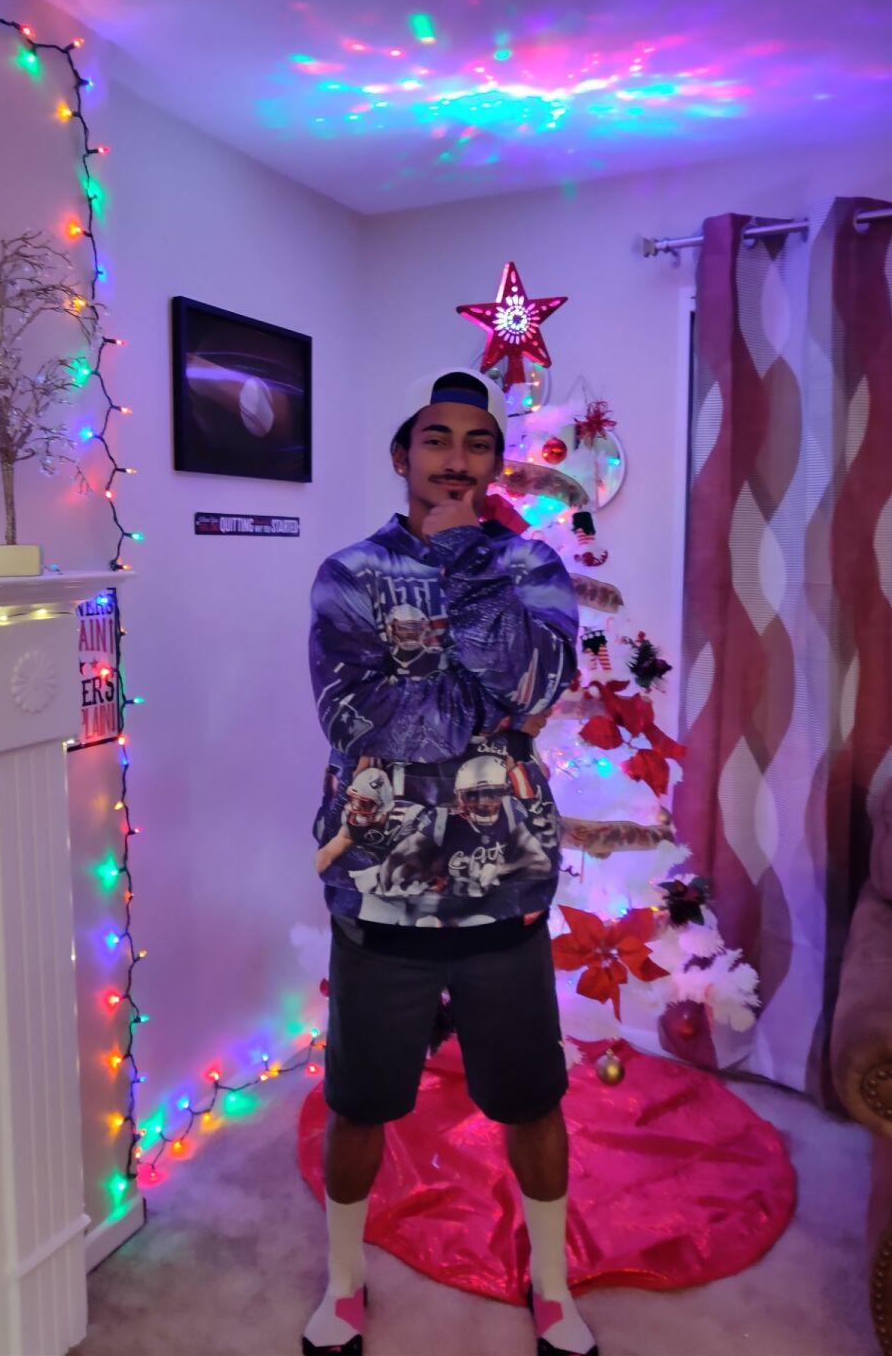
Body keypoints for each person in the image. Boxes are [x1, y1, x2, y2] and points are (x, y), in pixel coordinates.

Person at [304, 369, 597, 1356]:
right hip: (379, 888)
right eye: (437, 439)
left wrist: (467, 565)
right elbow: (357, 722)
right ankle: (343, 1283)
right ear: (404, 455)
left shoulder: (530, 566)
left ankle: (551, 1289)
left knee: (532, 1100)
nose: (456, 459)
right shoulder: (350, 574)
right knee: (359, 1103)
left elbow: (534, 684)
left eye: (477, 443)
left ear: (494, 465)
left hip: (503, 884)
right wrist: (491, 717)